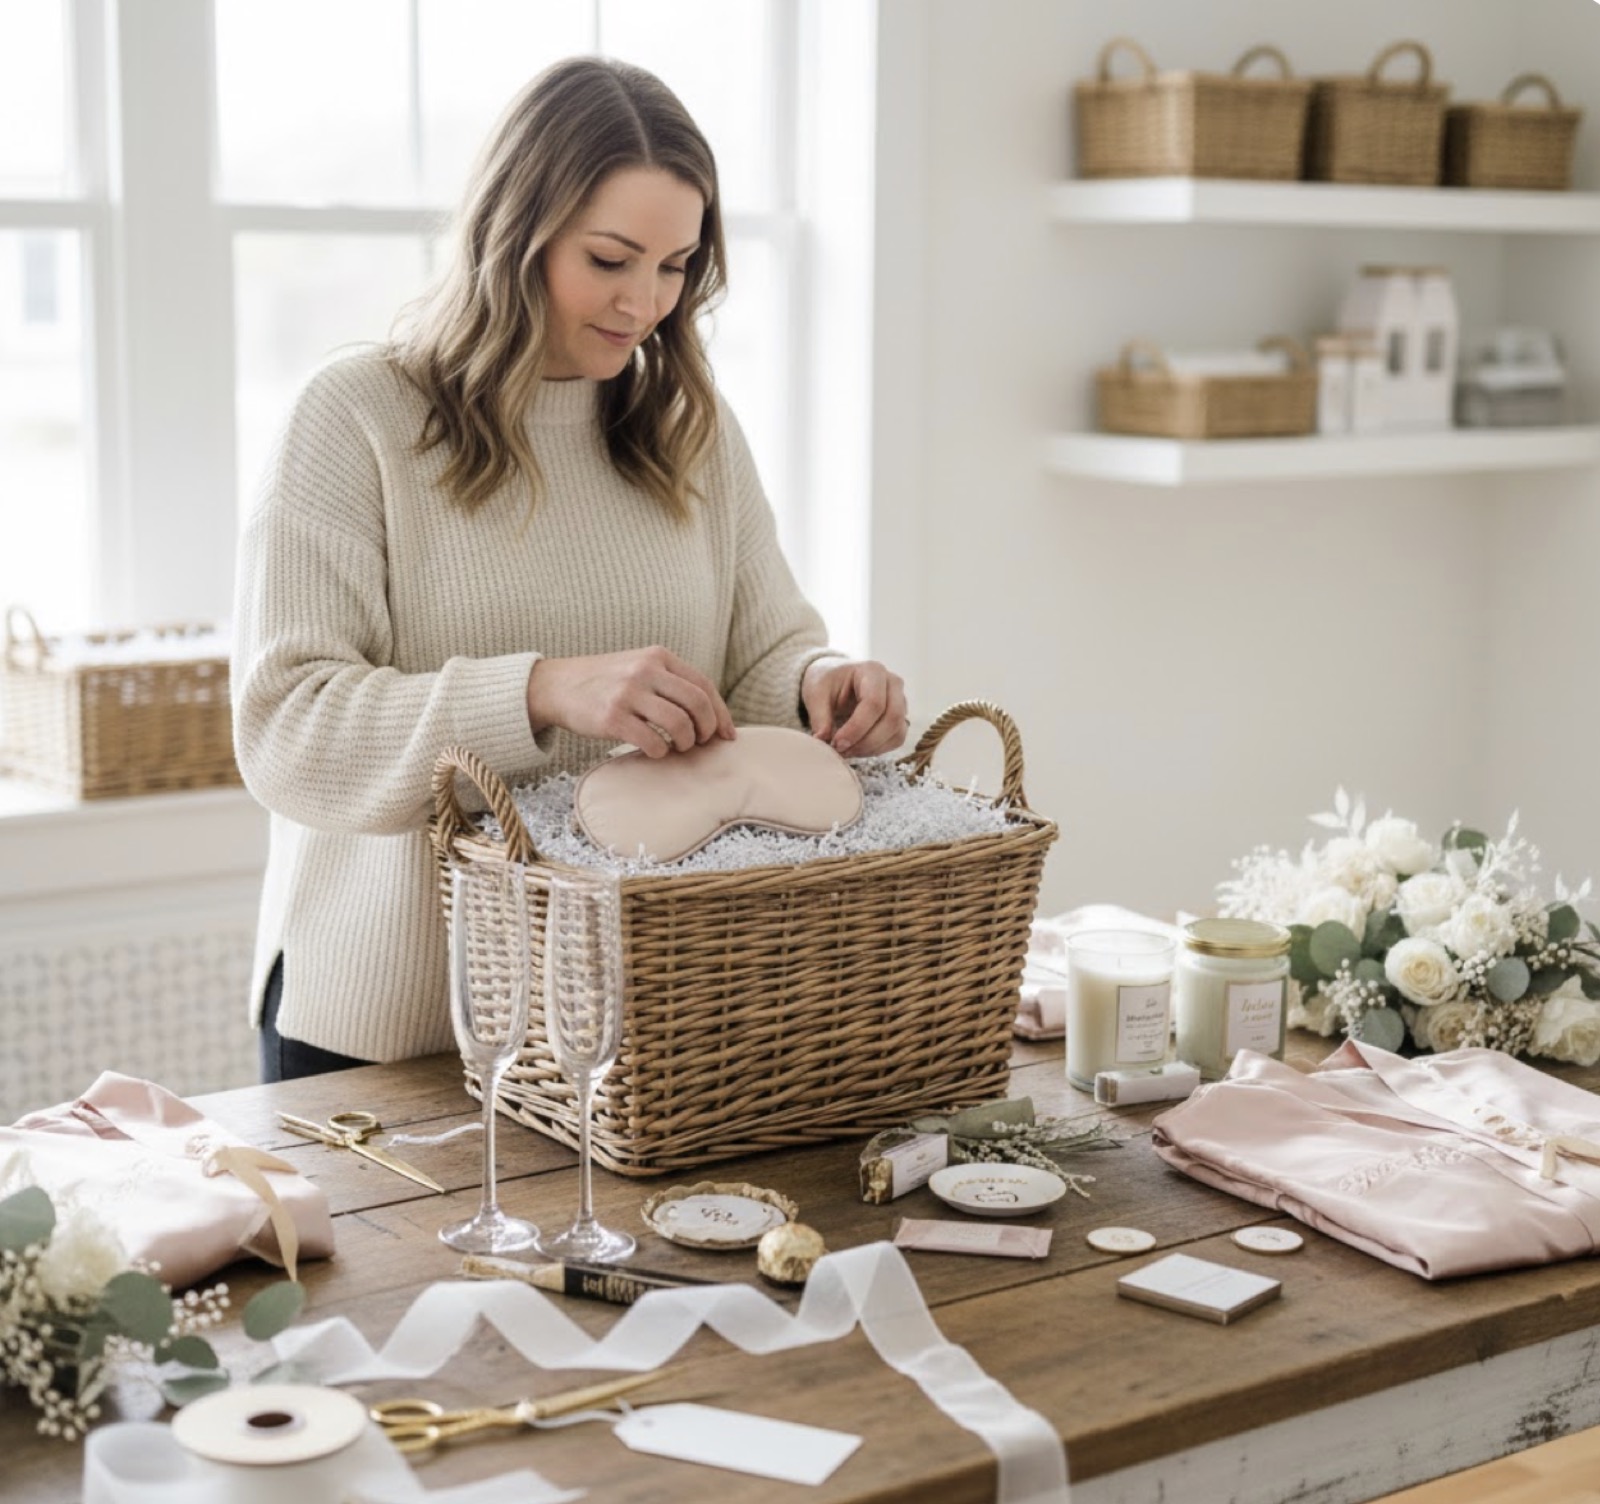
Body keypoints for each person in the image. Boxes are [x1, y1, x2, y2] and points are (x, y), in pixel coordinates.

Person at [231, 57, 907, 1082]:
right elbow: (287, 728)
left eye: (676, 265)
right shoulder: (356, 415)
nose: (644, 302)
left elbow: (759, 654)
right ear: (516, 231)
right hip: (387, 1027)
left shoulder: (689, 428)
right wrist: (543, 689)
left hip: (623, 1020)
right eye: (610, 259)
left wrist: (823, 687)